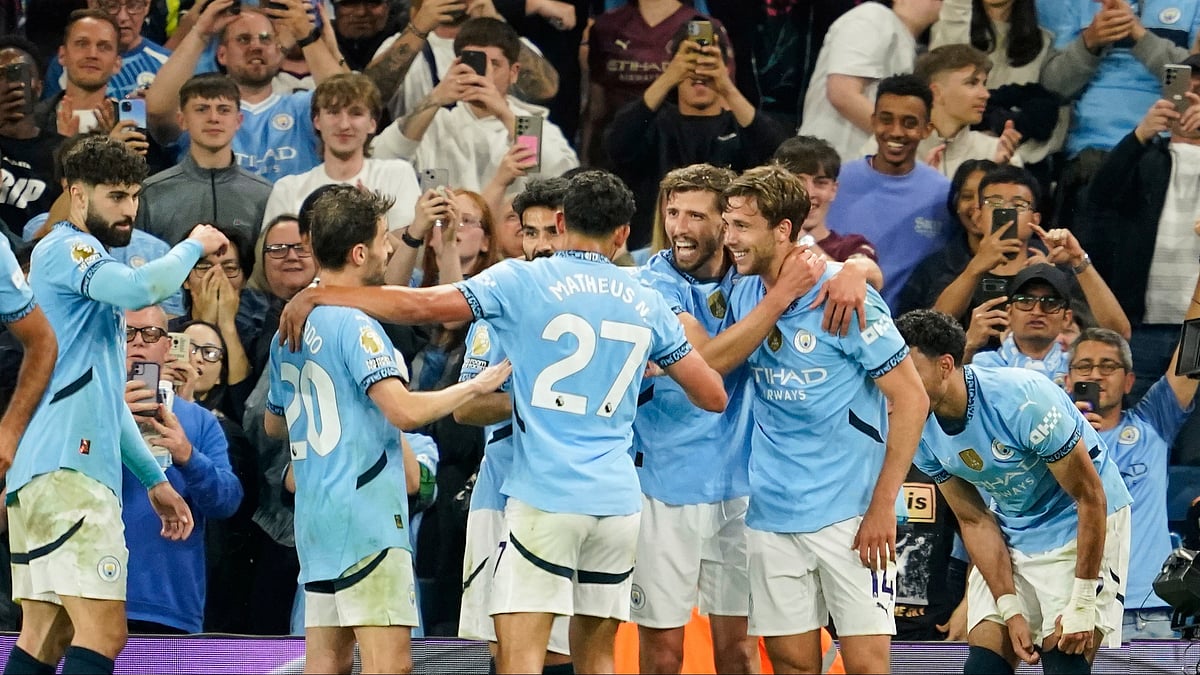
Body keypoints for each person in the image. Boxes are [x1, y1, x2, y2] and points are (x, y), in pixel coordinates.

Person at [276, 170, 728, 674]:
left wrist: (323, 294)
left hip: (546, 497)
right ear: (624, 235)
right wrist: (644, 366)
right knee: (597, 658)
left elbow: (421, 306)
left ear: (561, 221)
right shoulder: (643, 296)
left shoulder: (521, 279)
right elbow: (712, 395)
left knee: (519, 658)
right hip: (619, 502)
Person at [691, 164, 929, 673]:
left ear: (782, 230)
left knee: (867, 665)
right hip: (773, 510)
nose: (728, 239)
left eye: (741, 227)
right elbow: (712, 363)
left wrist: (885, 506)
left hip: (853, 511)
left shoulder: (847, 300)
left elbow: (912, 400)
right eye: (727, 224)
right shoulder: (745, 290)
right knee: (791, 664)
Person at [263, 185, 511, 673]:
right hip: (367, 519)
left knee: (325, 665)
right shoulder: (357, 325)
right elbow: (405, 412)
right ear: (359, 253)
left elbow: (275, 424)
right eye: (382, 239)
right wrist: (474, 387)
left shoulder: (286, 330)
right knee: (388, 666)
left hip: (316, 516)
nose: (391, 247)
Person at [5, 135, 225, 674]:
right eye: (115, 197)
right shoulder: (67, 247)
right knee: (104, 633)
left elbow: (106, 401)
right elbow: (140, 287)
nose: (128, 211)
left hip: (45, 474)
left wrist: (155, 481)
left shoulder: (83, 268)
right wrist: (193, 243)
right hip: (68, 474)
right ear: (77, 195)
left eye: (133, 197)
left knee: (46, 637)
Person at [896, 309, 1133, 674]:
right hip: (1011, 524)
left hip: (1079, 522)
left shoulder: (1023, 400)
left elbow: (1090, 497)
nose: (896, 380)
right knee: (984, 666)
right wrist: (1010, 609)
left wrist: (1084, 602)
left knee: (1063, 659)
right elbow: (973, 518)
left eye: (908, 368)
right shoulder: (918, 426)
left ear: (945, 365)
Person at [453, 177, 573, 672]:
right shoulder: (496, 311)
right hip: (501, 494)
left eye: (553, 231)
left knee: (569, 648)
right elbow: (465, 409)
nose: (541, 245)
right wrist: (541, 397)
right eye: (530, 232)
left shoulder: (607, 305)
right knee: (506, 652)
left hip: (577, 497)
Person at [1066, 289, 1200, 639]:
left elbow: (1192, 354)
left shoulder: (1153, 421)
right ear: (1067, 381)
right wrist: (1070, 437)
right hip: (1075, 610)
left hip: (1149, 611)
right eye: (1084, 366)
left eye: (1108, 366)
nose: (1095, 375)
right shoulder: (1046, 441)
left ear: (1128, 381)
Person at [605, 25, 786, 250]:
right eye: (690, 60)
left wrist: (726, 85)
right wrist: (669, 76)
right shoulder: (654, 123)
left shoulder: (740, 126)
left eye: (709, 60)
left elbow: (778, 155)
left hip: (728, 250)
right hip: (656, 247)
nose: (699, 71)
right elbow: (616, 145)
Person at [121, 305, 242, 635]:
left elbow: (228, 501)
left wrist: (189, 455)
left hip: (171, 601)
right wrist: (111, 420)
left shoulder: (199, 421)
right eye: (127, 333)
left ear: (167, 346)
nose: (138, 343)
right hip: (90, 594)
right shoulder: (87, 411)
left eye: (150, 334)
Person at [1084, 69, 1200, 403]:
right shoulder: (1146, 157)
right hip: (1143, 326)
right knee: (1135, 427)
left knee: (1194, 446)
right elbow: (1099, 196)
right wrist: (1140, 134)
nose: (1191, 100)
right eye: (1184, 91)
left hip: (1197, 328)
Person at [1039, 0, 1200, 230]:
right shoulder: (1079, 5)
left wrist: (1140, 37)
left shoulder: (1192, 5)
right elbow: (1054, 86)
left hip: (1162, 152)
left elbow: (1193, 81)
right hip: (1089, 152)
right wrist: (1089, 42)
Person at [371, 17, 577, 195]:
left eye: (494, 64)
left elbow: (558, 178)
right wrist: (435, 98)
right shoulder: (435, 123)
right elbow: (380, 160)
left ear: (514, 72)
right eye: (475, 63)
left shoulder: (528, 124)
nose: (483, 74)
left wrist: (504, 113)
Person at [146, 0, 345, 181]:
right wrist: (200, 33)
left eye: (265, 39)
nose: (256, 46)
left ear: (279, 51)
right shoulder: (203, 112)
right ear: (222, 54)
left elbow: (348, 101)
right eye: (243, 39)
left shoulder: (302, 108)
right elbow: (157, 110)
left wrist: (306, 37)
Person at [825, 74, 953, 307]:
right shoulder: (835, 182)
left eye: (909, 123)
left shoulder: (944, 196)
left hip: (908, 333)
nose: (896, 132)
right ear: (873, 121)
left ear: (927, 129)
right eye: (886, 120)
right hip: (832, 323)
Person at [260, 72, 420, 233]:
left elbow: (409, 251)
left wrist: (371, 220)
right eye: (333, 112)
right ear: (317, 121)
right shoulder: (288, 190)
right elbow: (273, 253)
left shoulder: (397, 174)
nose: (344, 125)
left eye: (356, 113)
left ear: (372, 124)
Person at [137, 73, 273, 247]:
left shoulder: (265, 195)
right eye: (202, 109)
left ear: (238, 121)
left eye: (223, 110)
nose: (213, 118)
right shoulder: (150, 194)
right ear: (182, 120)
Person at [797, 0, 943, 162]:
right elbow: (842, 92)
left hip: (858, 167)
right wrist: (904, 138)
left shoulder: (907, 43)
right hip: (827, 165)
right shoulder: (873, 17)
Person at [863, 44, 1023, 178]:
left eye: (984, 84)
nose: (985, 94)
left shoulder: (997, 152)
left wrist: (996, 177)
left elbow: (1012, 215)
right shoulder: (883, 148)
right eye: (972, 83)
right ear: (936, 92)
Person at [771, 135, 883, 288]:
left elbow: (872, 278)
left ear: (833, 190)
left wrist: (800, 238)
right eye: (797, 181)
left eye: (820, 183)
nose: (809, 193)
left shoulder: (852, 246)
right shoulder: (764, 243)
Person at [43, 0, 172, 101]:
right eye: (111, 5)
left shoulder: (168, 64)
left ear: (147, 6)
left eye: (133, 5)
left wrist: (158, 114)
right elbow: (47, 125)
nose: (123, 17)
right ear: (92, 4)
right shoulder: (67, 63)